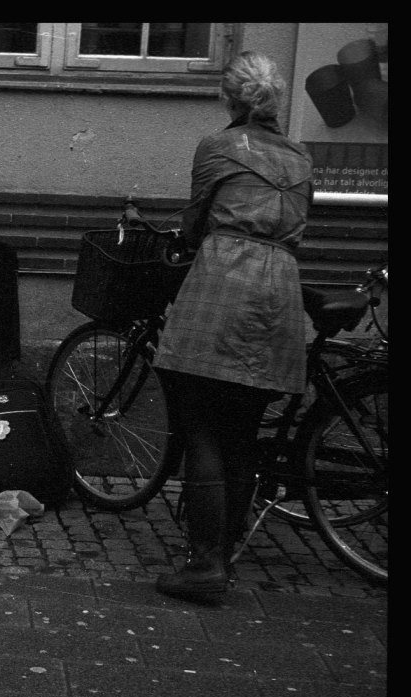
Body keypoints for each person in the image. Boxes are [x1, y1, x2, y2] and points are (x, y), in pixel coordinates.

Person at [152, 51, 314, 603]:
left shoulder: (219, 147)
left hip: (224, 285)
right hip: (280, 295)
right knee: (242, 433)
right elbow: (299, 228)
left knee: (199, 423)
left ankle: (204, 565)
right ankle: (223, 553)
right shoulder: (301, 158)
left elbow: (195, 220)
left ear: (230, 97)